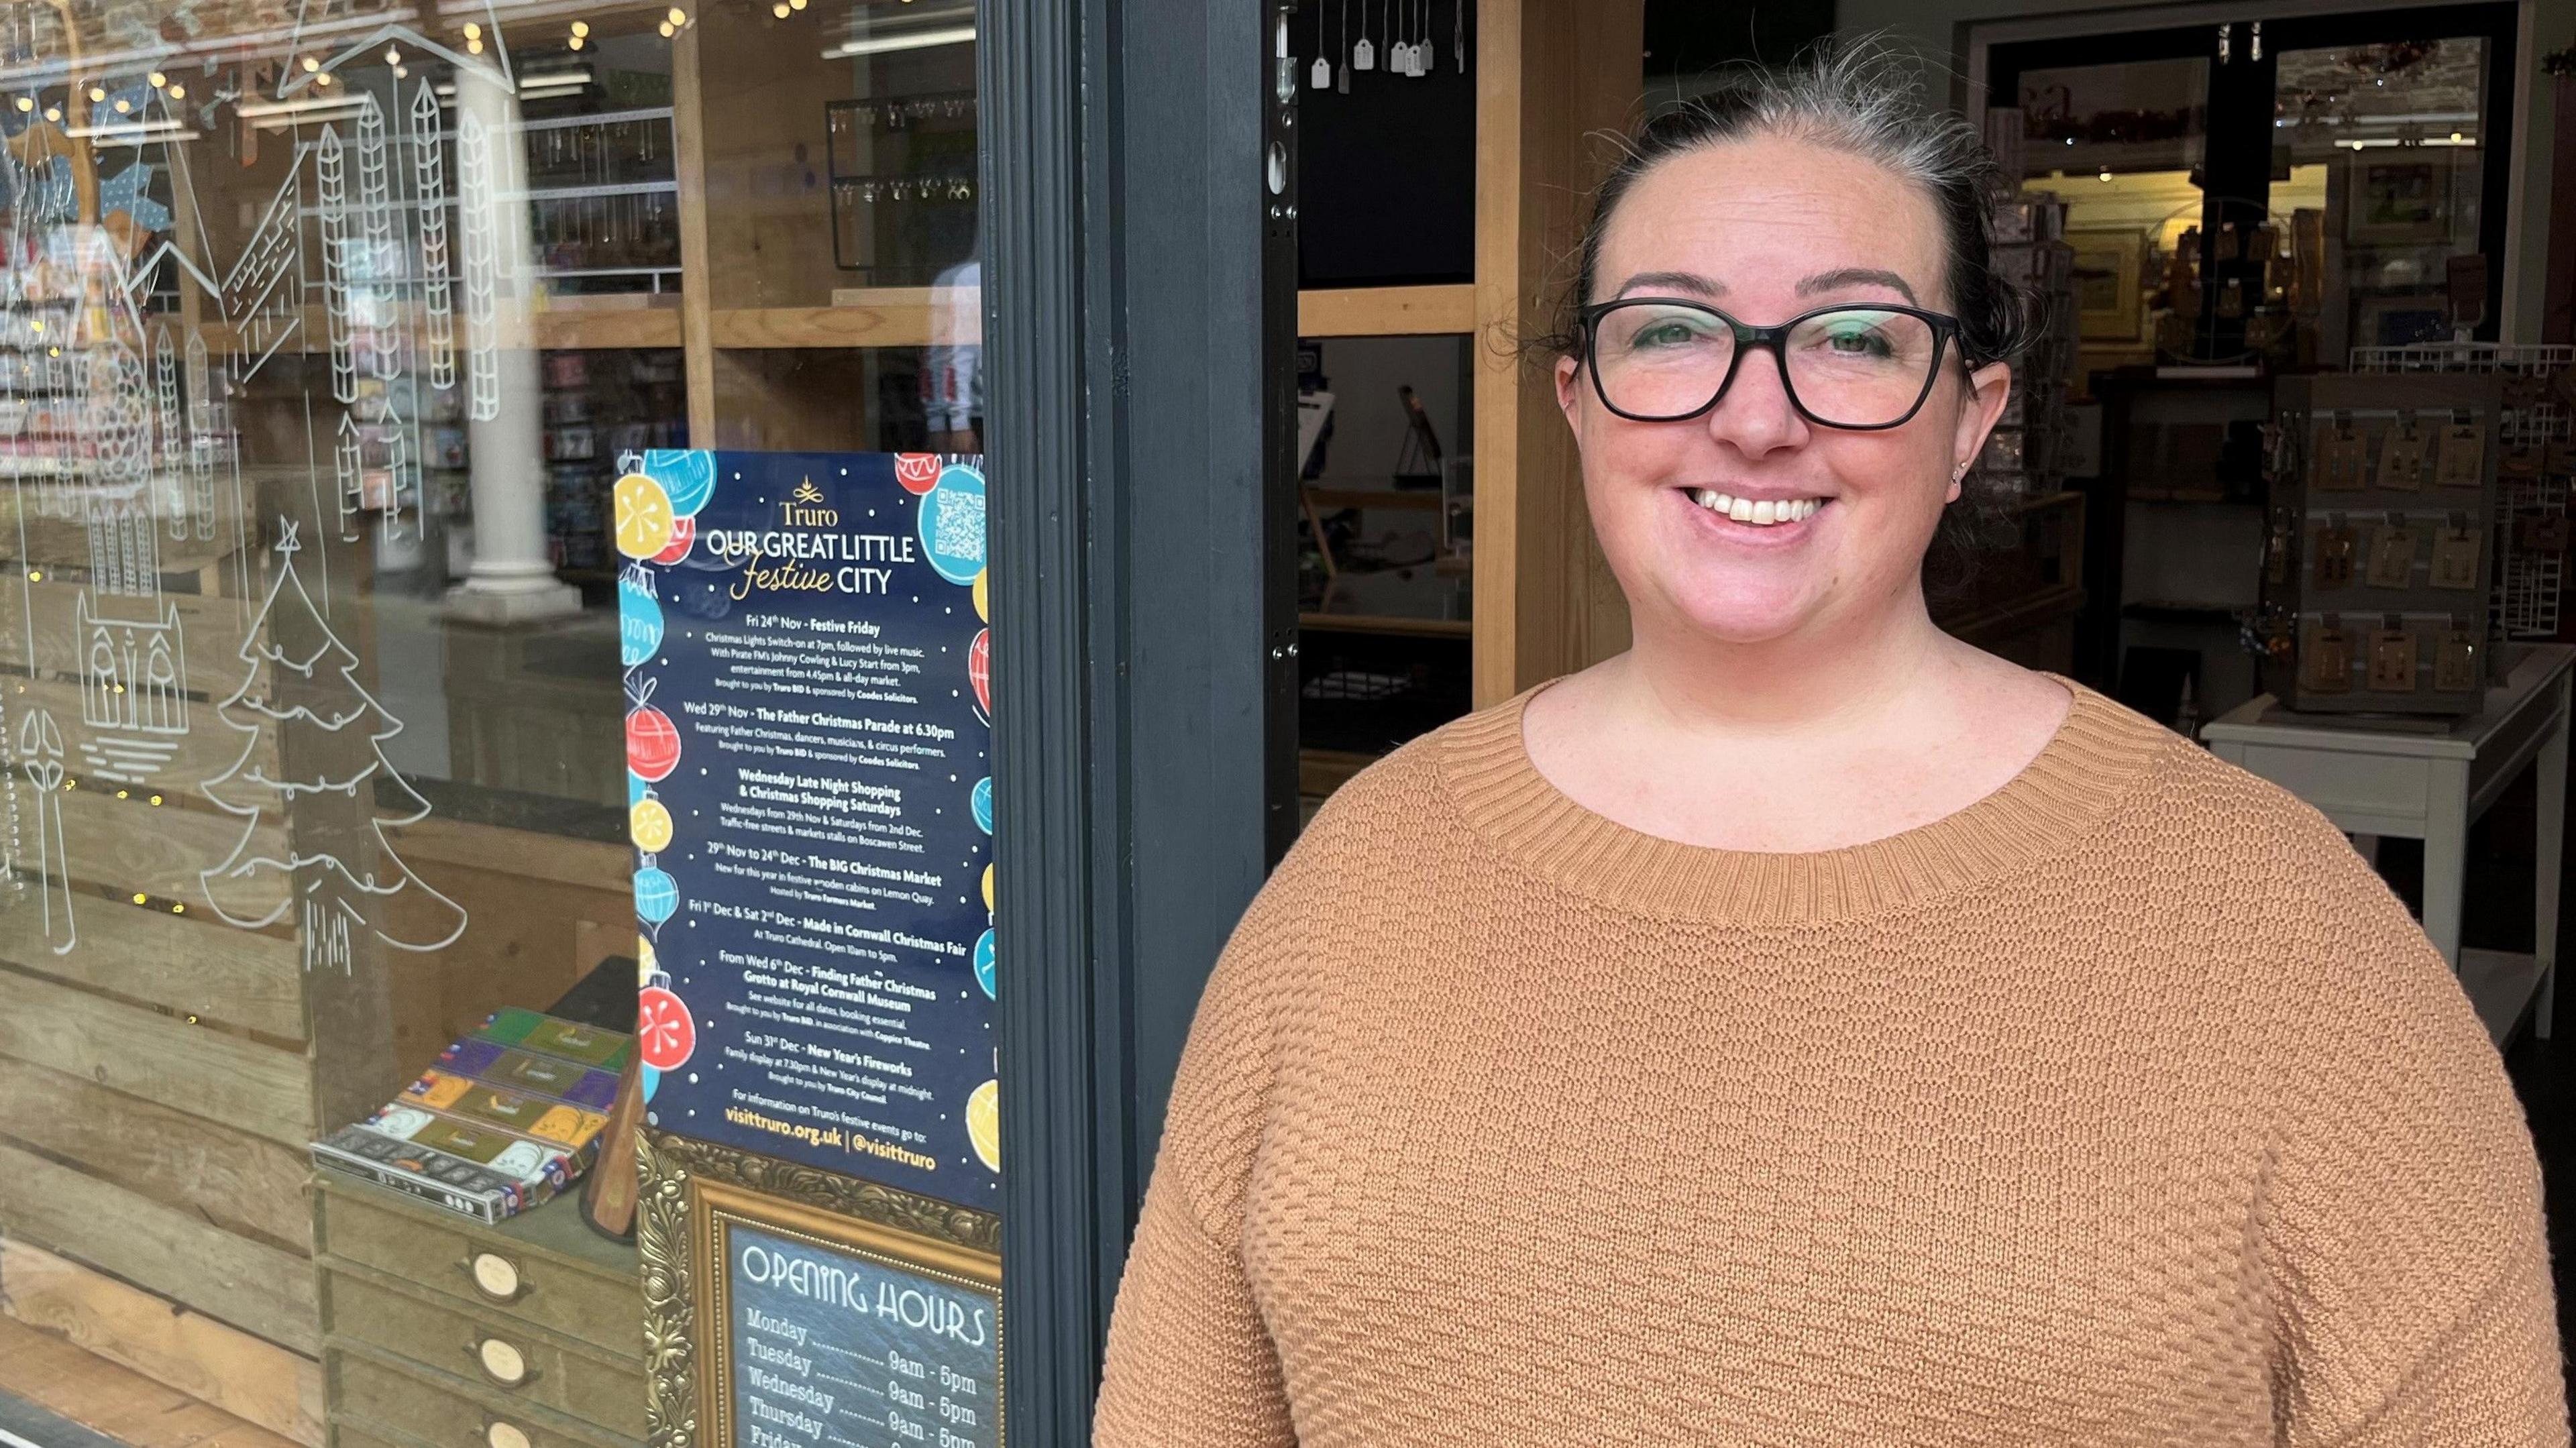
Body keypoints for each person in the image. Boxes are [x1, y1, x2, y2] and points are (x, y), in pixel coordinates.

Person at [1093, 43, 2566, 1448]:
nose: (1751, 416)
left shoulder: (2282, 941)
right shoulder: (1358, 887)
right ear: (1577, 401)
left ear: (1970, 417)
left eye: (1855, 340)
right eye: (1668, 332)